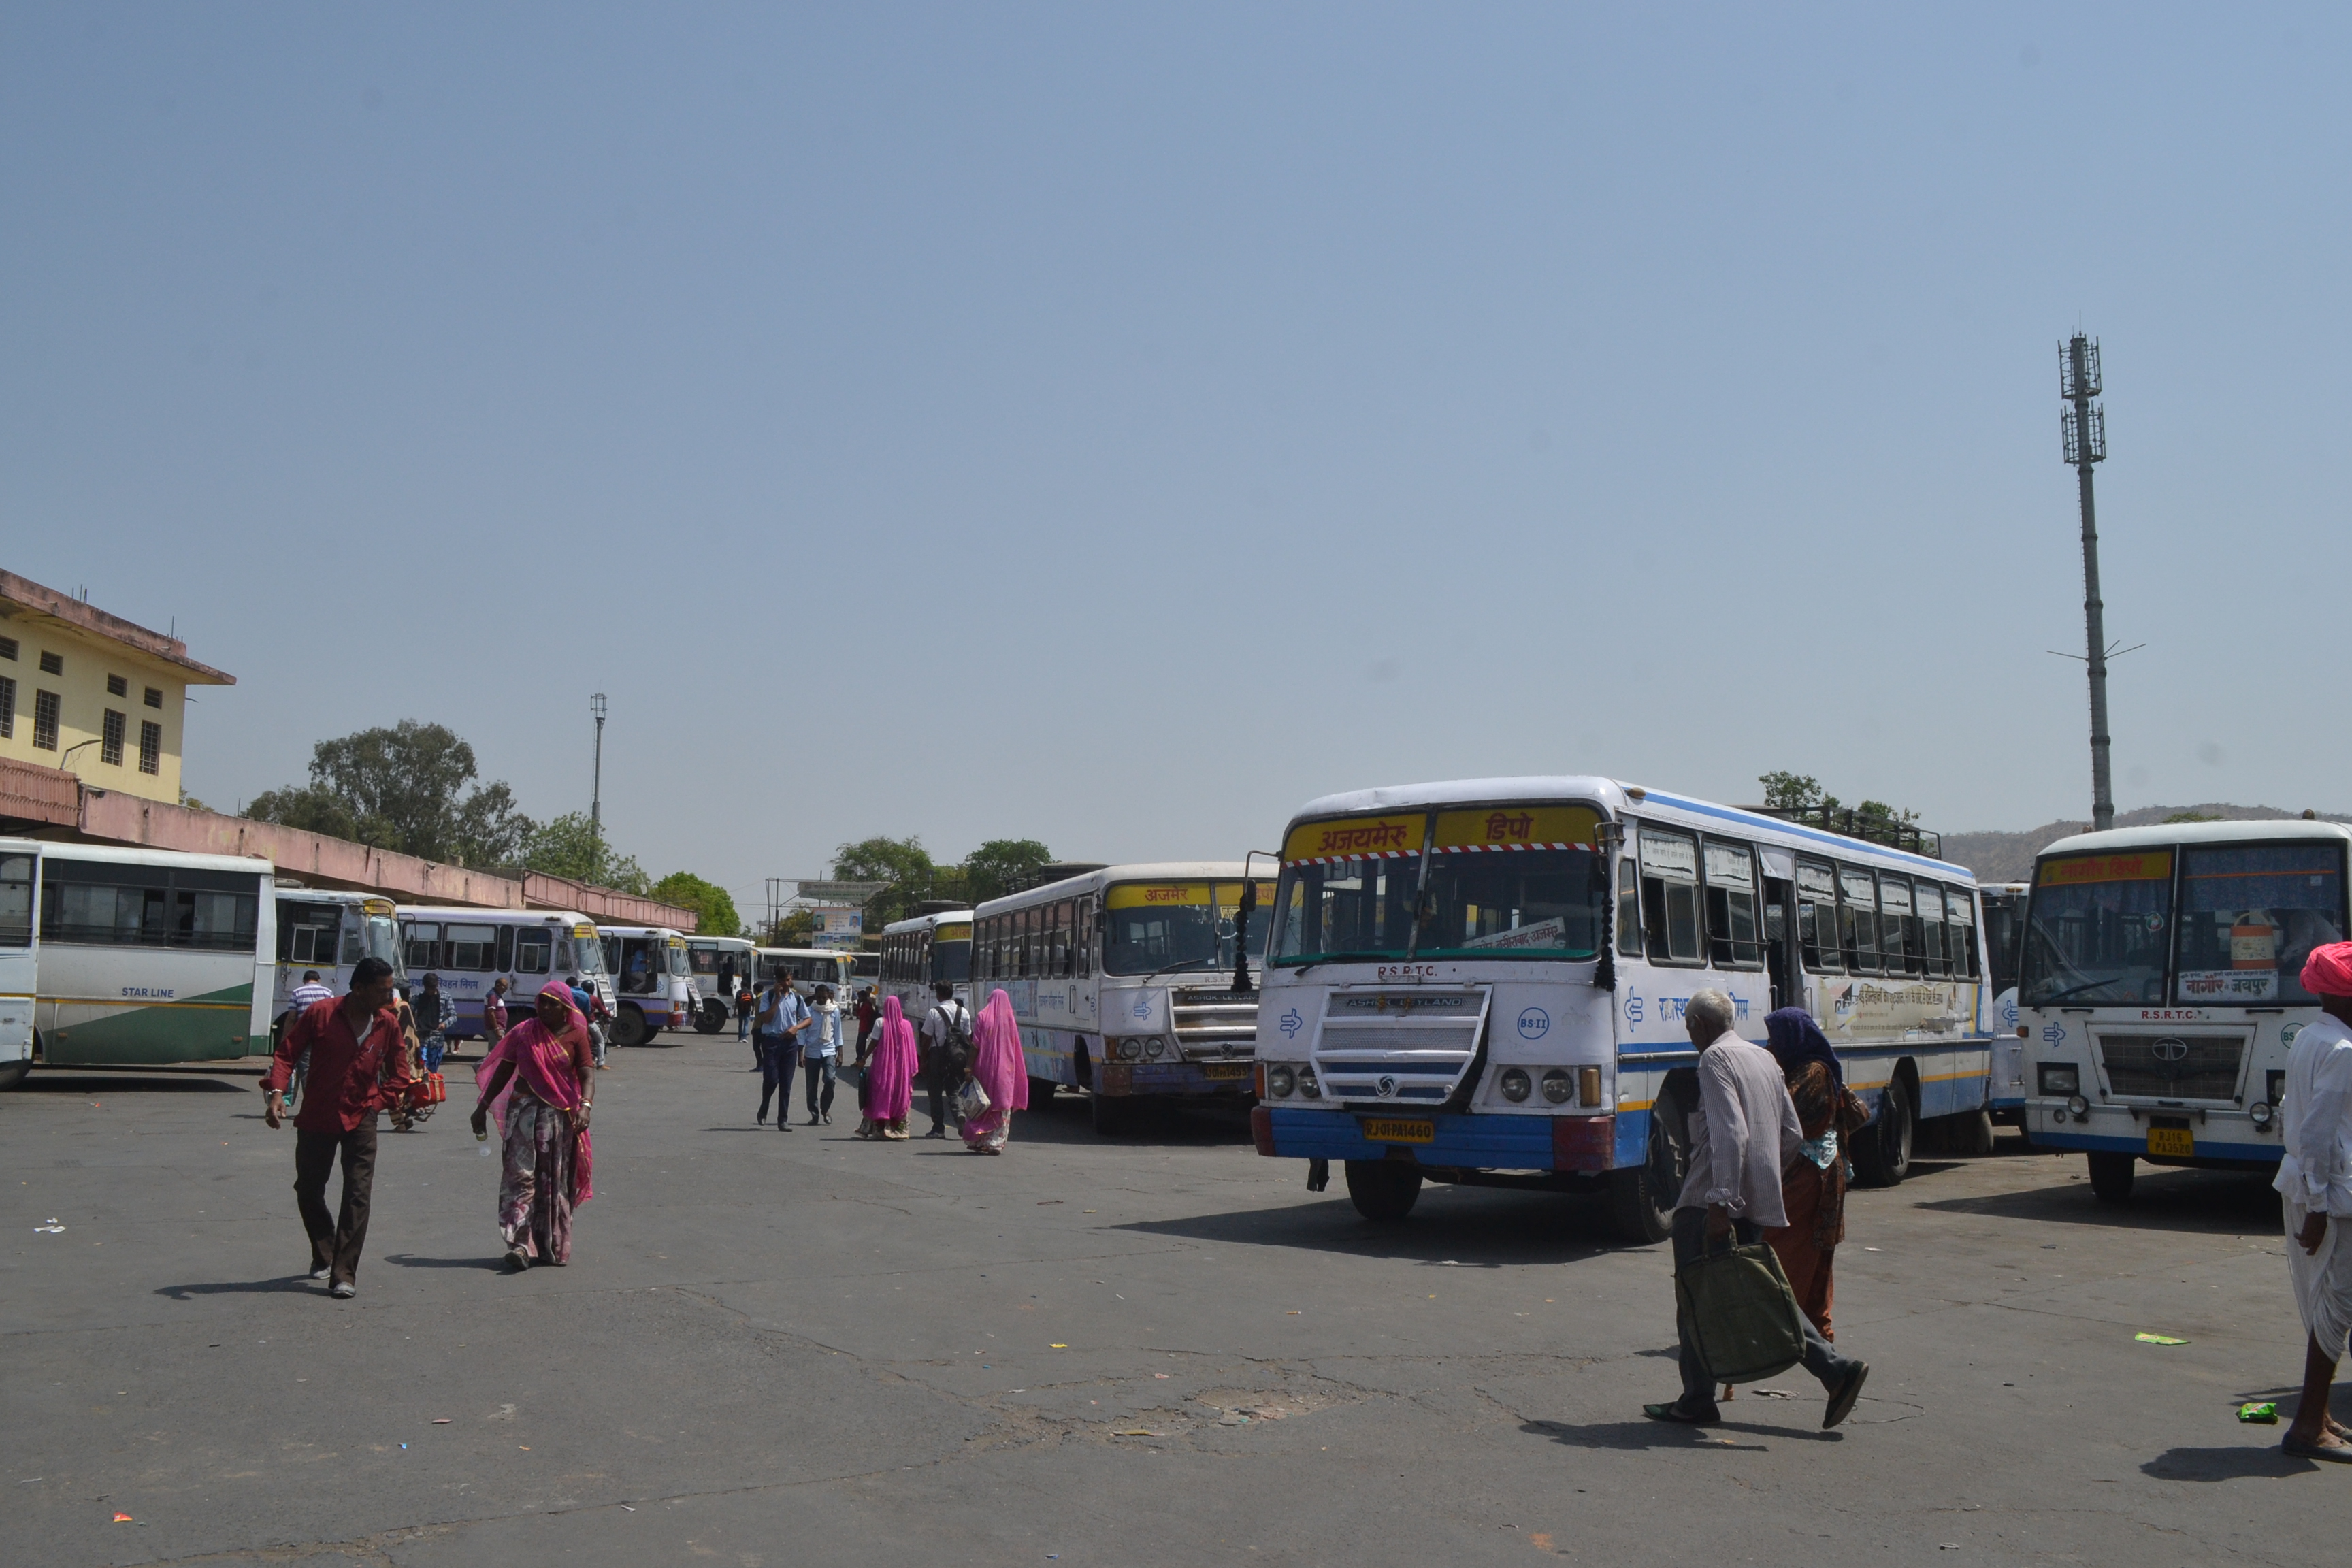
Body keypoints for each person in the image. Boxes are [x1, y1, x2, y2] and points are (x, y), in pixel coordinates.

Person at [1643, 989, 1870, 1431]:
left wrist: (1722, 1201)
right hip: (1757, 1201)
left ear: (1701, 1026)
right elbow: (1787, 1135)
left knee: (1696, 1295)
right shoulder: (1764, 1060)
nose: (1690, 1035)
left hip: (1710, 1201)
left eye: (1690, 1027)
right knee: (1761, 1295)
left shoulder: (1714, 1060)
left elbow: (1732, 1134)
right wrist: (1759, 1183)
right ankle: (1835, 1371)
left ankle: (1696, 1400)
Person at [261, 956, 412, 1298]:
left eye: (392, 991)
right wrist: (277, 1094)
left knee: (358, 1193)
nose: (390, 998)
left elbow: (400, 1072)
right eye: (383, 991)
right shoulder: (322, 1014)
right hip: (318, 1115)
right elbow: (286, 1055)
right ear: (358, 989)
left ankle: (344, 1273)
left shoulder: (387, 1023)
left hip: (362, 1117)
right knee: (308, 1189)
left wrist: (377, 1103)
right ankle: (324, 1250)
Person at [2274, 942, 2352, 1461]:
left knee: (2319, 1298)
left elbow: (2291, 1117)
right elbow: (2319, 1132)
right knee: (2336, 1306)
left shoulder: (2309, 1037)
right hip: (2331, 1197)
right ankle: (2307, 1426)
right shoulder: (2343, 1050)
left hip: (2301, 1185)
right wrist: (2321, 1207)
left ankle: (2318, 1413)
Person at [1757, 1007, 1870, 1341]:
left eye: (1775, 1038)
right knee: (1812, 1252)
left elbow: (1788, 1119)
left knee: (1785, 1249)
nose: (1769, 1046)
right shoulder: (1804, 1068)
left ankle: (1786, 1326)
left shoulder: (1812, 1073)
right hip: (1818, 1171)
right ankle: (1814, 1328)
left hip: (1811, 1175)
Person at [470, 983, 595, 1270]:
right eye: (542, 1002)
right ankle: (520, 1245)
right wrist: (483, 1105)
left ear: (566, 1008)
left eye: (553, 1003)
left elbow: (587, 1073)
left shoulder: (577, 1034)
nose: (546, 1008)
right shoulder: (525, 1031)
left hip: (559, 1117)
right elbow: (504, 1069)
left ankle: (552, 1245)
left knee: (553, 1180)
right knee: (520, 1177)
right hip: (523, 1113)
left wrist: (585, 1106)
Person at [961, 987, 1029, 1154]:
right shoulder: (1009, 1018)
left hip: (984, 1068)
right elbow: (1015, 1046)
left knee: (983, 1102)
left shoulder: (983, 1016)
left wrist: (969, 1067)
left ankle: (979, 1140)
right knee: (1002, 1104)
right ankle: (995, 1143)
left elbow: (975, 1045)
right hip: (1006, 1070)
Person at [856, 994, 918, 1140]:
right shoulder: (907, 1025)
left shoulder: (880, 1023)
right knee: (899, 1094)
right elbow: (911, 1048)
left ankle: (878, 1128)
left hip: (883, 1066)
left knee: (879, 1093)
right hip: (902, 1068)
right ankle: (898, 1130)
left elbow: (874, 1042)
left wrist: (863, 1058)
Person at [755, 975, 810, 1129]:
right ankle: (764, 1106)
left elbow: (808, 1019)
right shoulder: (768, 996)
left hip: (790, 1043)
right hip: (771, 1041)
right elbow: (766, 1019)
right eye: (782, 981)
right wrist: (777, 998)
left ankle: (783, 1119)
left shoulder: (797, 998)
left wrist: (796, 1028)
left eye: (788, 980)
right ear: (777, 982)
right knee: (771, 1080)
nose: (786, 983)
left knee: (786, 1084)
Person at [919, 981, 972, 1141]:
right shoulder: (964, 1012)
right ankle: (959, 1115)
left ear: (939, 994)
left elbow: (927, 1038)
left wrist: (923, 1060)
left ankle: (938, 1127)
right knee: (954, 1088)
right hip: (957, 1055)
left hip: (937, 1054)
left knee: (935, 1091)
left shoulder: (934, 1013)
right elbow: (968, 1037)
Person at [803, 983, 843, 1125]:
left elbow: (838, 1033)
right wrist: (800, 1054)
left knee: (830, 1080)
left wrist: (840, 1053)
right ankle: (814, 1114)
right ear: (815, 996)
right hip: (812, 1052)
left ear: (828, 997)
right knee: (811, 1086)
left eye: (824, 997)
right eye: (819, 997)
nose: (821, 1000)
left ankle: (825, 1109)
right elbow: (802, 1034)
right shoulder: (808, 1012)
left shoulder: (834, 1011)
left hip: (829, 1051)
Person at [414, 973, 456, 1076]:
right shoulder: (417, 998)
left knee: (433, 1072)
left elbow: (453, 1016)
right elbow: (409, 1016)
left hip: (437, 1041)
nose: (430, 991)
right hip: (421, 1040)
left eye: (433, 988)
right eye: (428, 988)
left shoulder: (445, 997)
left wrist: (445, 1024)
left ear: (437, 985)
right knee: (421, 1069)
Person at [483, 977, 511, 1047]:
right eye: (504, 988)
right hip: (495, 1029)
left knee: (492, 1053)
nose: (505, 991)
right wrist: (497, 1029)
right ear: (498, 985)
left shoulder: (497, 995)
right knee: (499, 1051)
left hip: (497, 1028)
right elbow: (491, 1013)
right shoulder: (493, 996)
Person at [854, 985, 879, 1058]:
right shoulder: (865, 1004)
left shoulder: (867, 1005)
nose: (859, 999)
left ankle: (860, 1058)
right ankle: (859, 1058)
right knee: (860, 1044)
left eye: (860, 997)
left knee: (860, 1045)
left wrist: (858, 1005)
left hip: (865, 1027)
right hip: (862, 1026)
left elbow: (860, 1015)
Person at [736, 978, 757, 1057]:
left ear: (741, 985)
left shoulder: (739, 992)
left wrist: (735, 1010)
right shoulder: (750, 992)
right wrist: (753, 1011)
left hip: (741, 1010)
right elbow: (753, 1002)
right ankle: (745, 1037)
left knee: (740, 1024)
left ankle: (740, 1038)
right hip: (748, 1010)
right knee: (746, 1024)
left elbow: (737, 1002)